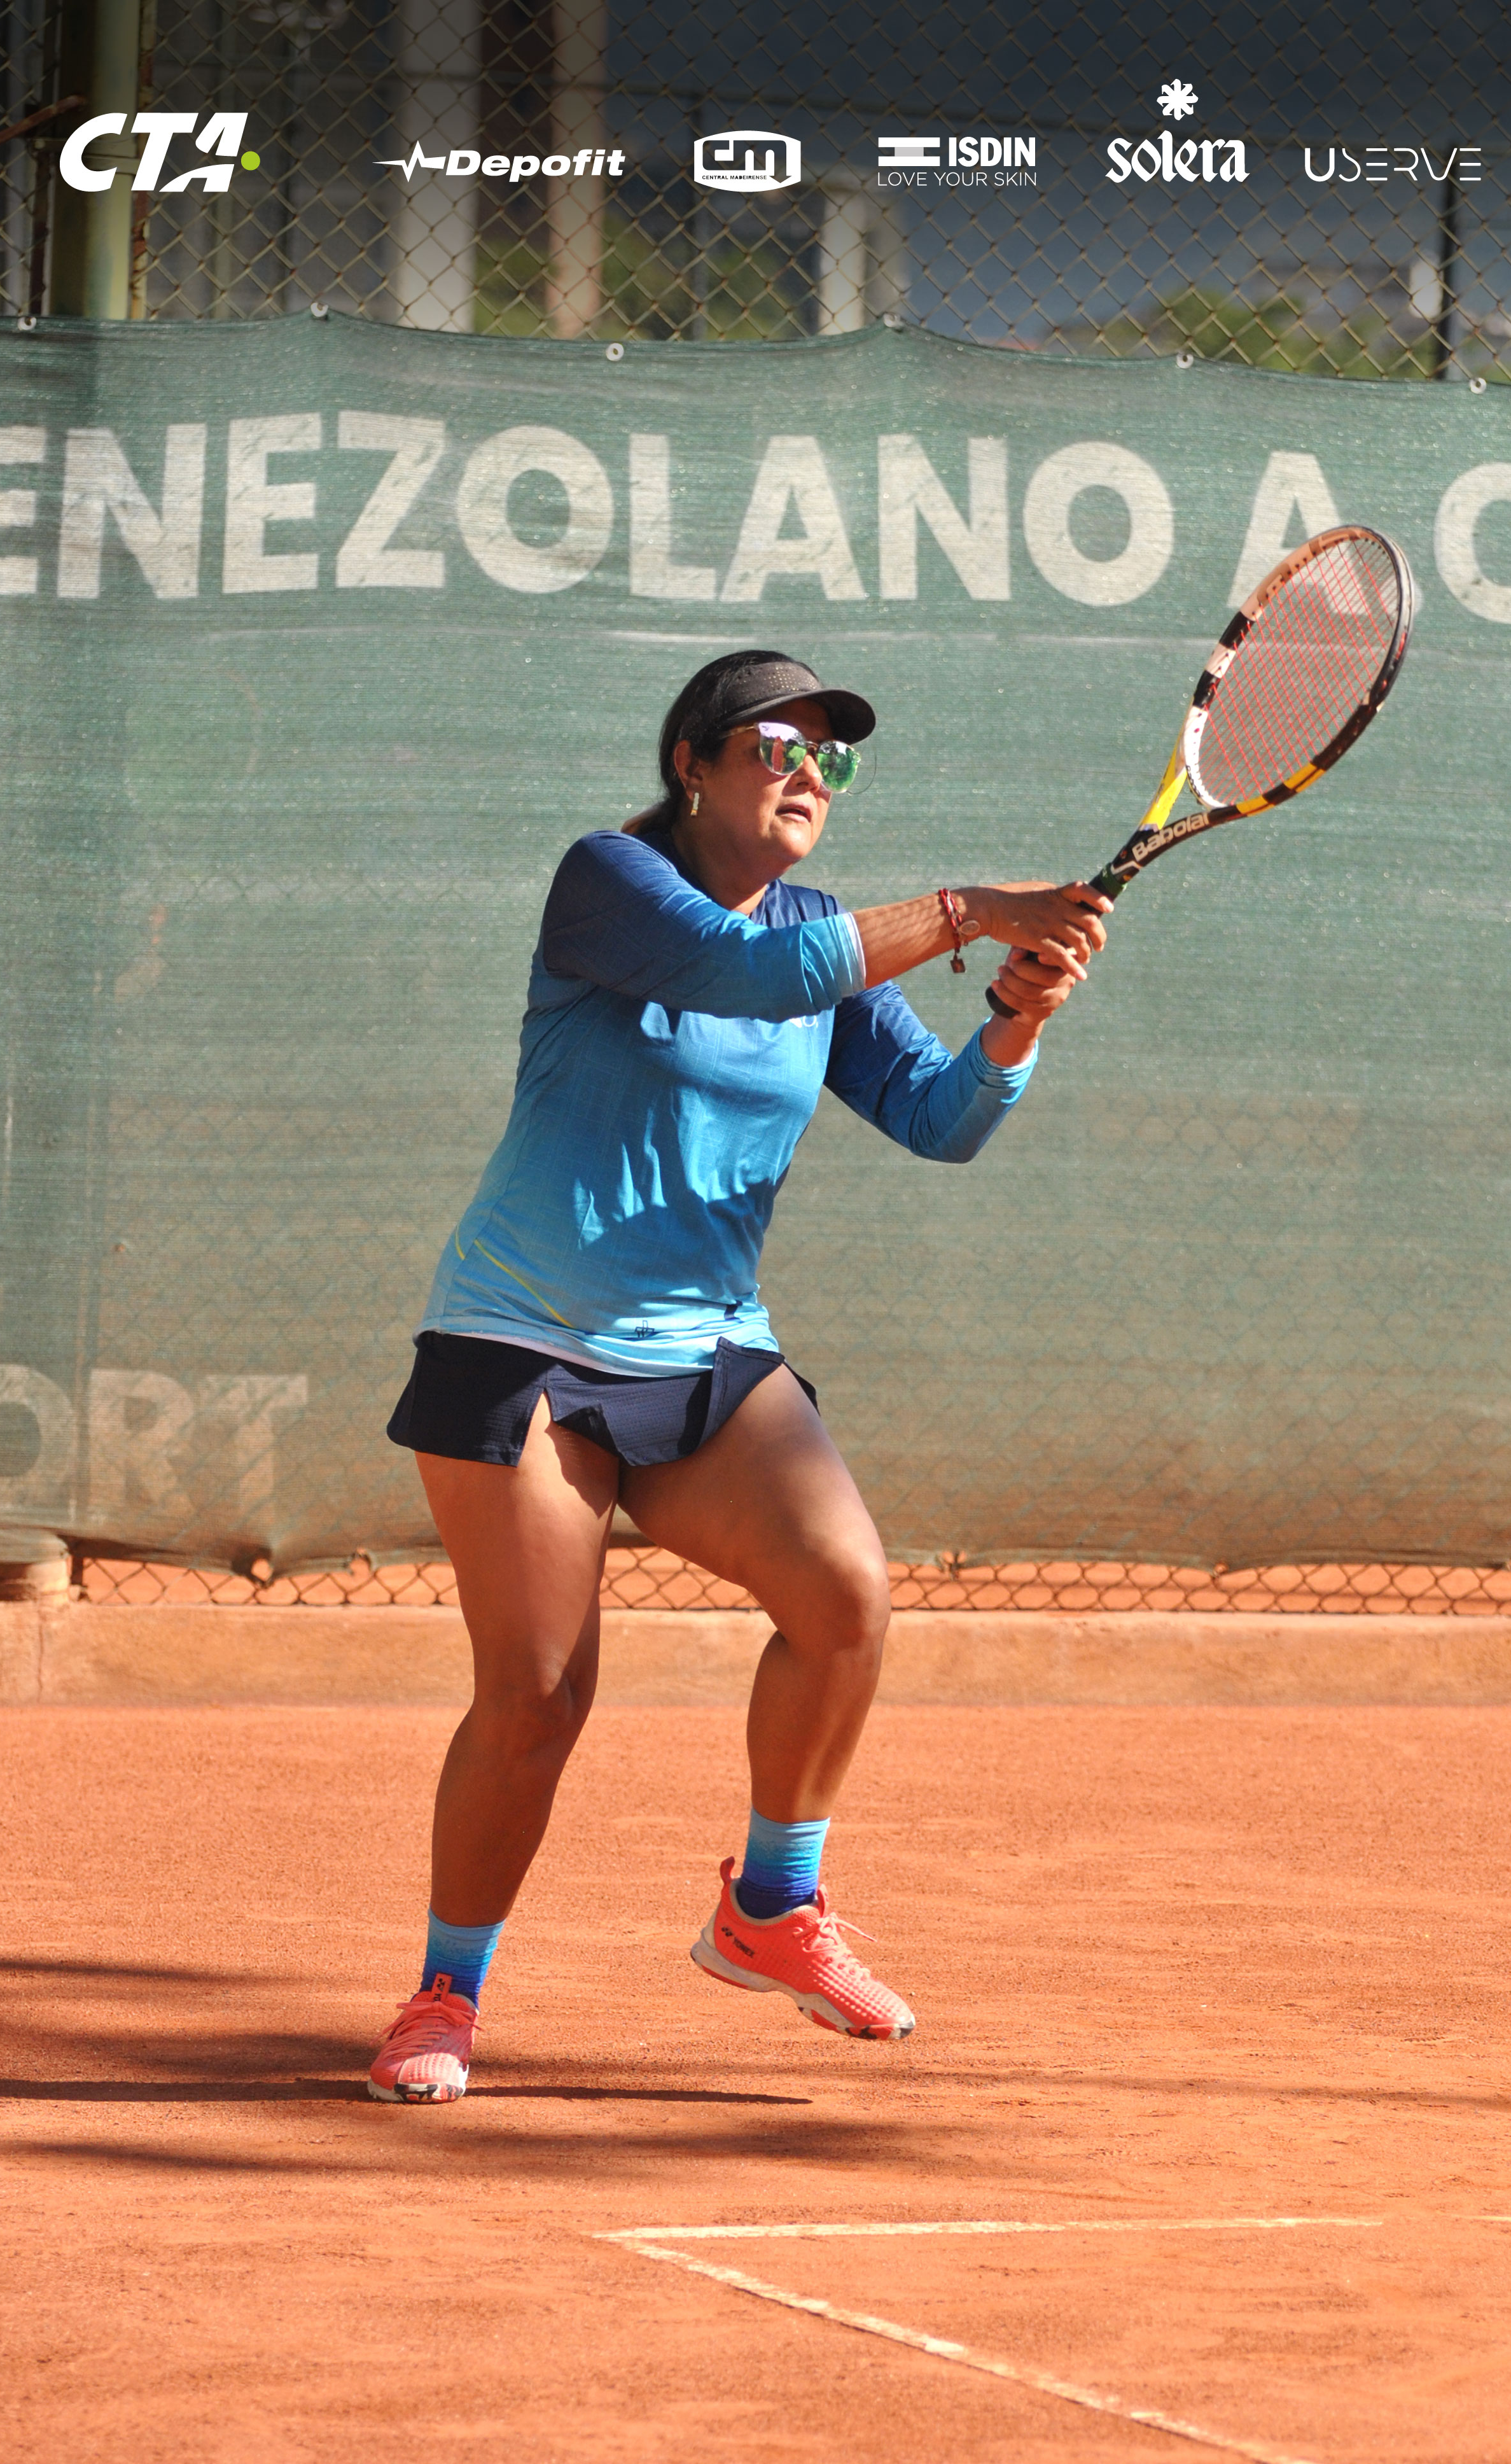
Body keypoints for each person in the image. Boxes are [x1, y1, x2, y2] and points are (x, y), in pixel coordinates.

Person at [368, 648, 1110, 2103]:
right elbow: (742, 970)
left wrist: (1015, 1014)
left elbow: (939, 1118)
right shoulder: (609, 883)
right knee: (536, 1696)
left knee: (845, 1597)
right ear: (694, 761)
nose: (808, 774)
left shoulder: (835, 932)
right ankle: (445, 1994)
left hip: (704, 1350)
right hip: (523, 1338)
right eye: (778, 744)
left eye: (833, 759)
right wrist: (973, 910)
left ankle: (770, 1907)